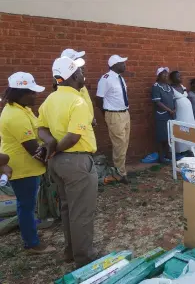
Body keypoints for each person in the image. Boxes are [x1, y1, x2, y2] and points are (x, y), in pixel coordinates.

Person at [38, 57, 98, 267]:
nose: (83, 75)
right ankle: (85, 259)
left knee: (67, 209)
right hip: (77, 163)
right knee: (81, 212)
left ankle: (70, 251)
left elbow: (41, 128)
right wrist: (54, 148)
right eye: (80, 72)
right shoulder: (78, 101)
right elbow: (74, 137)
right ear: (73, 76)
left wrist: (51, 144)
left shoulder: (49, 100)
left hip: (58, 165)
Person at [0, 72, 55, 254]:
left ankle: (30, 232)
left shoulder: (22, 109)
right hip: (23, 168)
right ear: (20, 92)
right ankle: (31, 244)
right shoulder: (15, 115)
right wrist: (51, 162)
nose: (35, 95)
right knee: (26, 206)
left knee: (27, 204)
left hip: (29, 167)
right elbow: (33, 149)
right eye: (31, 92)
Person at [96, 54, 130, 184]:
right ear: (114, 65)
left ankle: (119, 170)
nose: (124, 65)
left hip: (125, 113)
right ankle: (120, 173)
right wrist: (106, 113)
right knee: (119, 144)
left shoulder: (120, 78)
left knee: (124, 143)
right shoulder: (106, 79)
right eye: (122, 63)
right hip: (114, 114)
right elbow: (99, 99)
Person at [60, 49, 96, 126]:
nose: (82, 65)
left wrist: (91, 117)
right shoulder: (68, 86)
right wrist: (89, 119)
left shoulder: (79, 81)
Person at [151, 67, 175, 164]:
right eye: (163, 74)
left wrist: (174, 109)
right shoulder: (156, 86)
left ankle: (168, 154)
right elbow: (157, 102)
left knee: (169, 135)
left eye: (166, 74)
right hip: (162, 115)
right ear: (158, 75)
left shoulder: (169, 87)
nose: (166, 76)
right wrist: (169, 110)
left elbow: (173, 99)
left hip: (171, 115)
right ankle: (161, 157)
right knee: (162, 136)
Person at [170, 71, 195, 153]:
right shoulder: (170, 88)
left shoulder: (182, 86)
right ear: (172, 78)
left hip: (188, 112)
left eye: (180, 76)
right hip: (179, 112)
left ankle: (190, 147)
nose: (180, 77)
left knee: (190, 127)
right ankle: (181, 150)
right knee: (181, 128)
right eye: (178, 76)